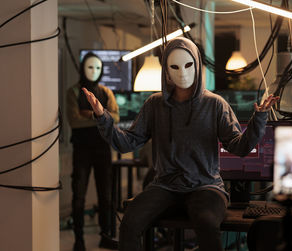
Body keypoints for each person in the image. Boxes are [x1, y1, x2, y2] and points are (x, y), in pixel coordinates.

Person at [83, 37, 279, 251]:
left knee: (207, 224)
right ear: (166, 70)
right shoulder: (154, 105)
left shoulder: (215, 104)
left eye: (188, 65)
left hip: (206, 186)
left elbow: (239, 147)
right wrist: (102, 116)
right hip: (165, 185)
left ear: (196, 64)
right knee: (129, 224)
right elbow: (126, 143)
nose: (182, 72)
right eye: (174, 66)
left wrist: (259, 117)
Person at [66, 52, 120, 251]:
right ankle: (78, 239)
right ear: (82, 68)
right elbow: (74, 121)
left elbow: (115, 116)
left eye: (97, 67)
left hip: (102, 149)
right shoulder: (73, 92)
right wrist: (100, 115)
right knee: (78, 195)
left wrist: (90, 114)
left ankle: (106, 235)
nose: (94, 71)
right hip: (81, 150)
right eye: (90, 67)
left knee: (106, 195)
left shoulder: (106, 91)